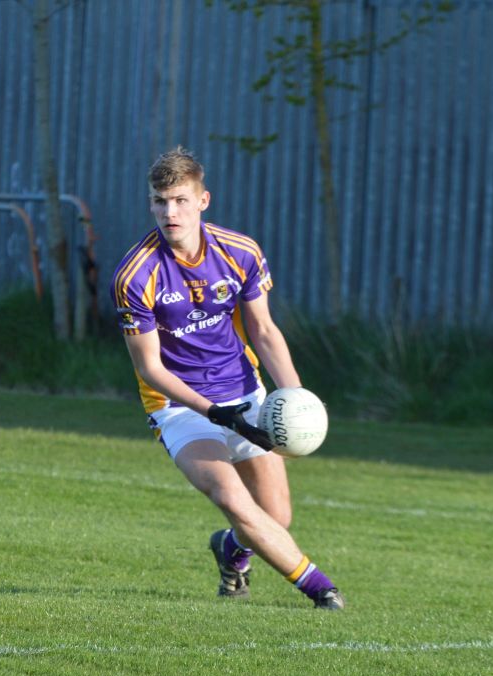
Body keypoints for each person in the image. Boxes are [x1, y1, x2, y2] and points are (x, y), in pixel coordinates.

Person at [110, 147, 345, 610]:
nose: (169, 212)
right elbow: (149, 368)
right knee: (234, 499)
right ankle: (322, 590)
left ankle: (231, 550)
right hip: (179, 408)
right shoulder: (135, 275)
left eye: (179, 200)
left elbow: (263, 331)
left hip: (244, 392)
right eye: (159, 201)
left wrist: (294, 396)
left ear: (203, 200)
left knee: (276, 516)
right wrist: (214, 412)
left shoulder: (240, 252)